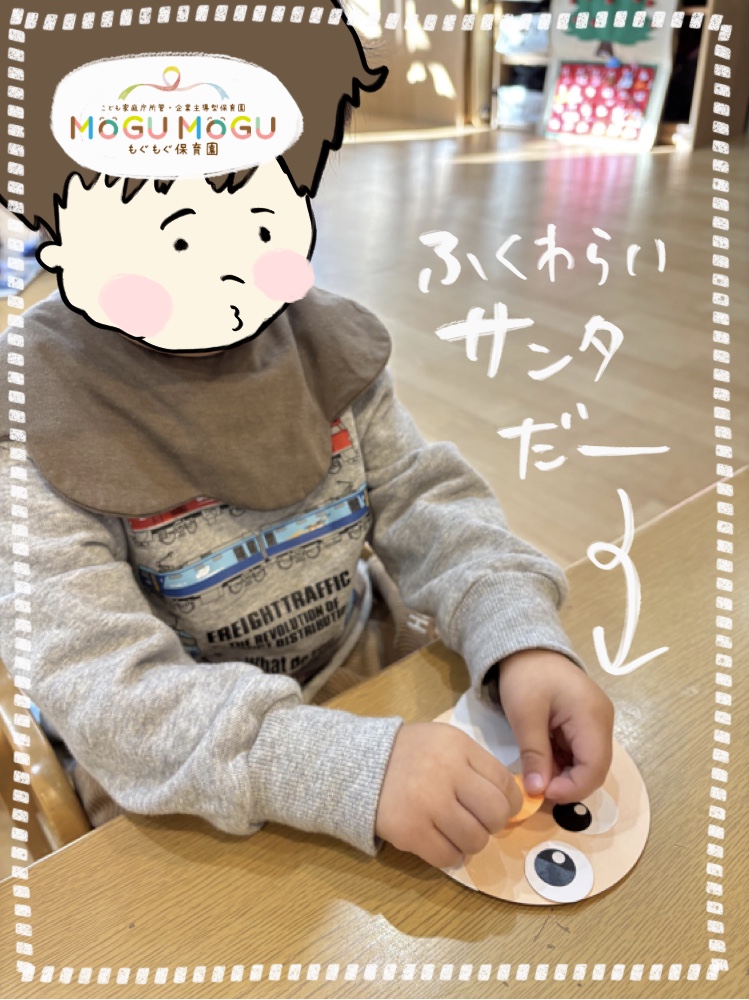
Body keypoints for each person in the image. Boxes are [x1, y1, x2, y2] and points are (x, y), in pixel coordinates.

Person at [0, 0, 613, 871]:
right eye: (175, 238)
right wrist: (342, 767)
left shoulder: (325, 344)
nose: (222, 274)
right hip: (186, 771)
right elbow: (109, 693)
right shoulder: (38, 417)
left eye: (257, 219)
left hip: (366, 676)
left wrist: (516, 633)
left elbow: (424, 501)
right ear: (56, 241)